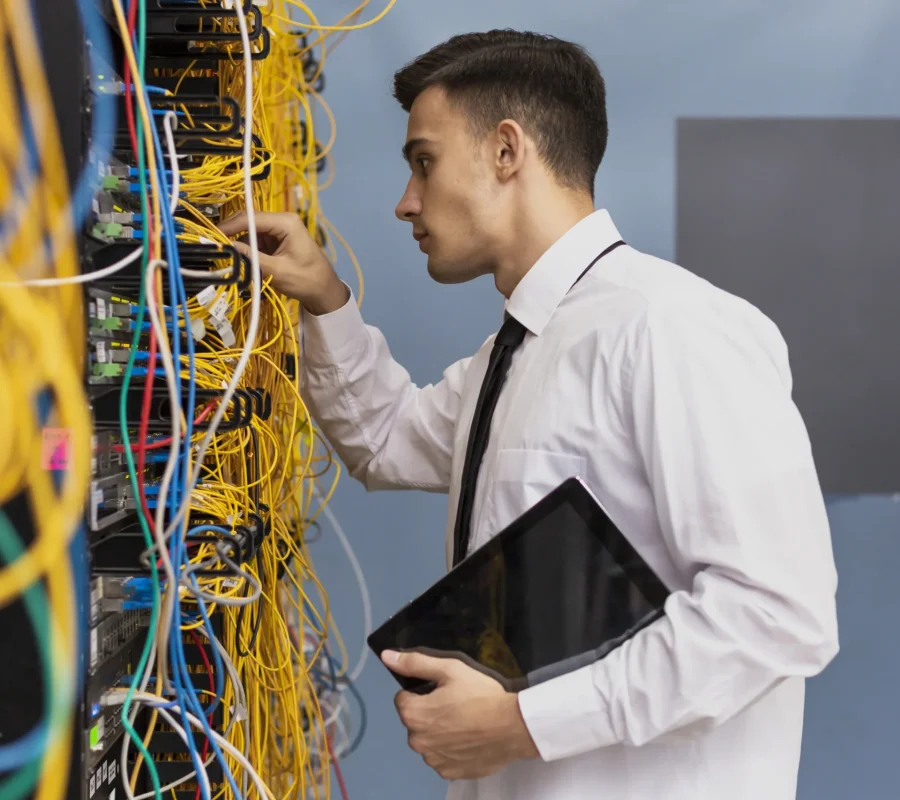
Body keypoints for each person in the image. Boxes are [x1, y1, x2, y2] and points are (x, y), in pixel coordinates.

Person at [219, 28, 839, 800]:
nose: (405, 202)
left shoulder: (671, 328)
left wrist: (526, 723)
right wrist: (324, 298)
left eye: (423, 162)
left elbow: (778, 614)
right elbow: (385, 441)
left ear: (507, 151)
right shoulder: (518, 351)